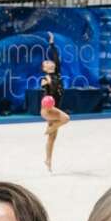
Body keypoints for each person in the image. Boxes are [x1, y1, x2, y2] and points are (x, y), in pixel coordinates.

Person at [39, 31, 70, 171]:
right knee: (66, 118)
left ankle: (48, 160)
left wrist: (52, 43)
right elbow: (46, 95)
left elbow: (56, 57)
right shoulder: (44, 78)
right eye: (46, 63)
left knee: (52, 137)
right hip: (48, 110)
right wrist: (45, 84)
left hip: (56, 109)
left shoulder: (57, 74)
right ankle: (50, 128)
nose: (50, 63)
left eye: (51, 62)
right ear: (44, 68)